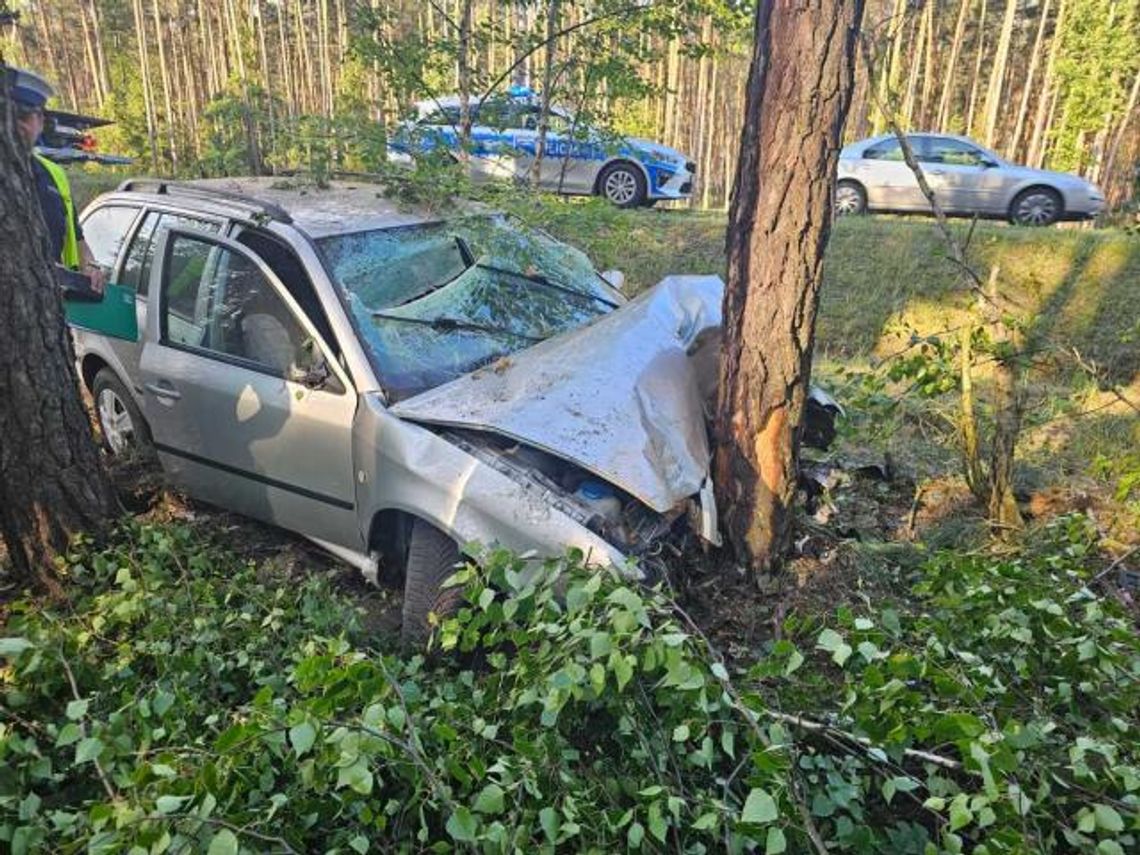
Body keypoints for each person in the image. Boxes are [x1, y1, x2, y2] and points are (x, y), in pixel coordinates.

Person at [10, 67, 105, 293]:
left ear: (40, 121)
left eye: (24, 115)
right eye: (7, 115)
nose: (17, 125)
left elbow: (77, 239)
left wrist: (91, 267)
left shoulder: (54, 175)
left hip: (51, 307)